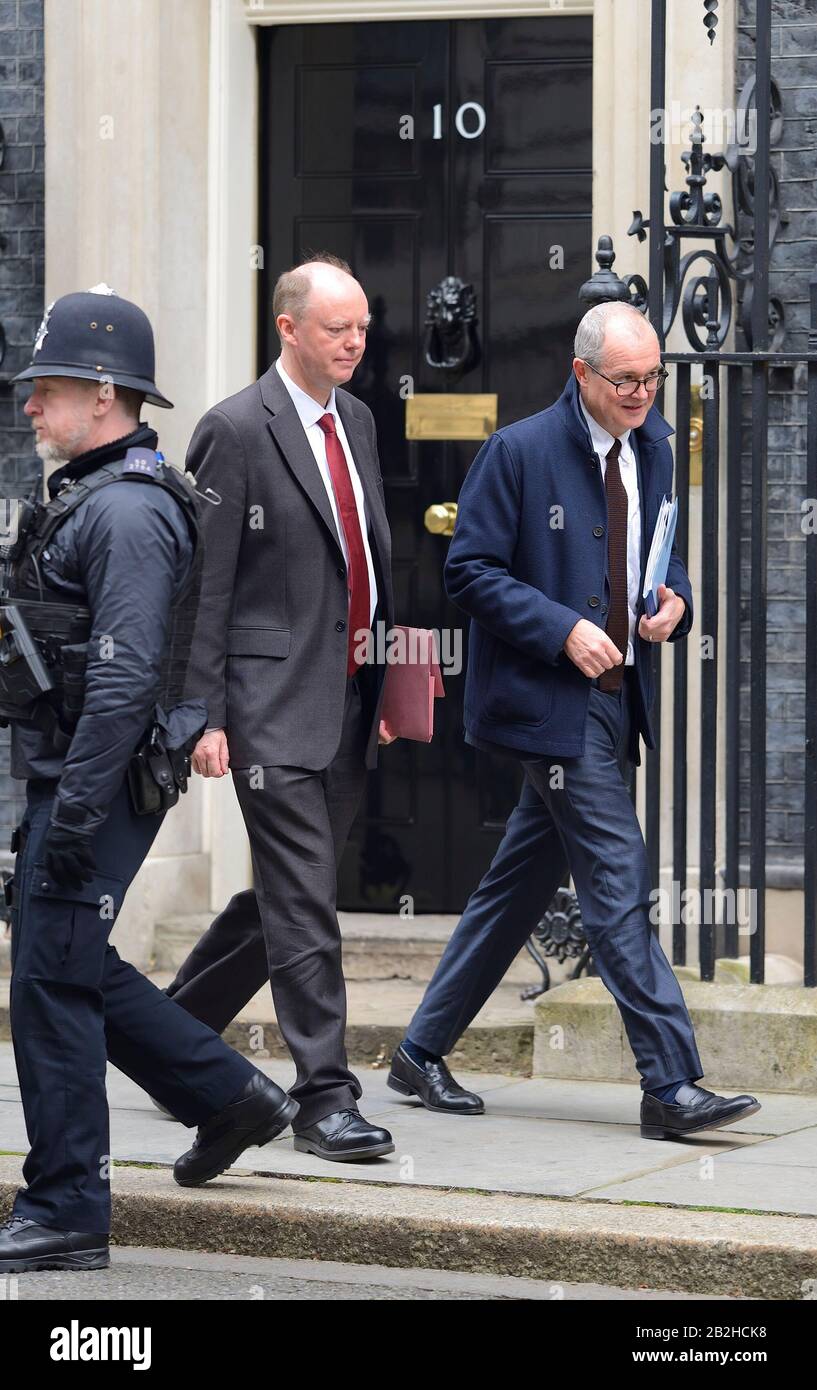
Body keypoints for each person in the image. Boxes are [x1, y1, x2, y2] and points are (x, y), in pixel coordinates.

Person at [387, 301, 761, 1142]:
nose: (642, 394)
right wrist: (559, 627)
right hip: (546, 705)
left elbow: (660, 549)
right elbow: (469, 571)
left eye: (652, 378)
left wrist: (677, 600)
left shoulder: (656, 446)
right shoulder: (515, 451)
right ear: (580, 373)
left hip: (615, 695)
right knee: (617, 881)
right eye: (626, 380)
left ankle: (419, 1050)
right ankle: (669, 1084)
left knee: (516, 885)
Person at [0, 287, 298, 1275]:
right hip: (81, 774)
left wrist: (73, 819)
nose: (30, 408)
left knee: (48, 978)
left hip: (103, 779)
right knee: (67, 960)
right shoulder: (93, 493)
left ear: (100, 391)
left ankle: (70, 1205)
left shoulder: (128, 510)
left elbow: (123, 683)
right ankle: (230, 1096)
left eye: (44, 391)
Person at [163, 256, 398, 1162]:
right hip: (265, 705)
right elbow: (204, 588)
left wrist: (378, 676)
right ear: (287, 328)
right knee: (307, 903)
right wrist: (204, 715)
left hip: (343, 694)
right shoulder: (234, 428)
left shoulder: (362, 421)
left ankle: (165, 1034)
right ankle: (323, 1100)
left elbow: (364, 563)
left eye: (363, 327)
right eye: (338, 328)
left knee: (283, 901)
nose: (355, 342)